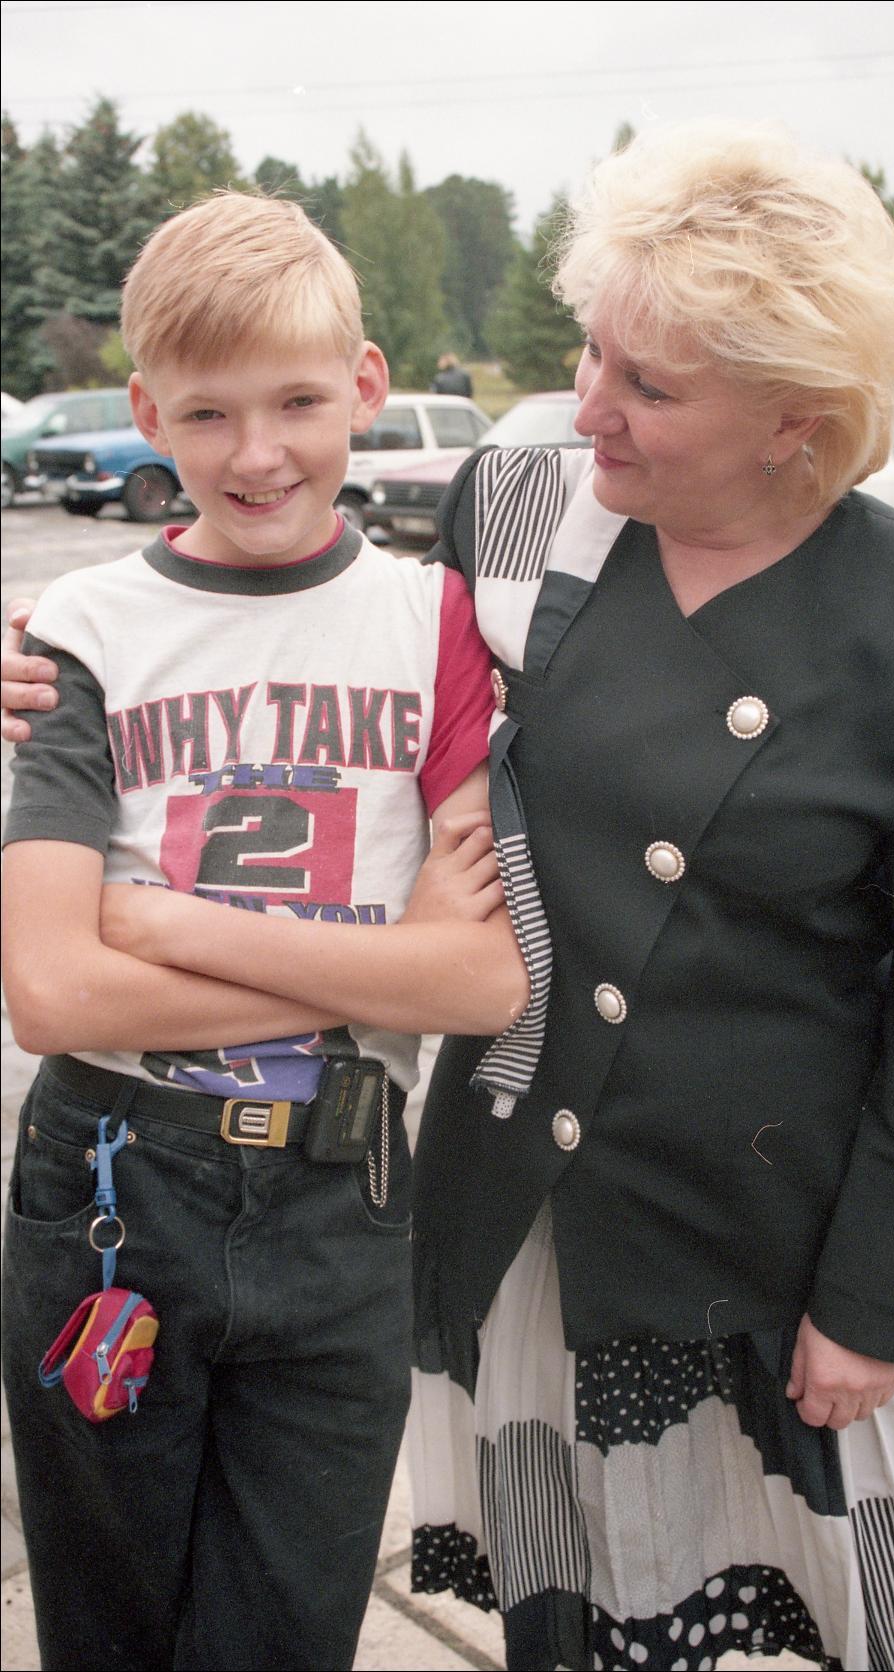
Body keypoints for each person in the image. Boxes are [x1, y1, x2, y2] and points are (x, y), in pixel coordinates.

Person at [5, 122, 894, 1672]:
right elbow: (292, 619)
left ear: (795, 416)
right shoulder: (523, 510)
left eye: (648, 384)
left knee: (857, 1611)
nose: (586, 406)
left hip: (771, 1224)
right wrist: (58, 659)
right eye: (592, 351)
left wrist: (880, 1292)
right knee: (566, 1606)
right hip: (530, 1202)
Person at [0, 190, 527, 1672]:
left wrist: (159, 925)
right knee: (109, 1628)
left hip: (343, 1197)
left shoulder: (435, 621)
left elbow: (484, 977)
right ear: (146, 411)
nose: (257, 455)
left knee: (286, 1629)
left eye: (298, 401)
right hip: (114, 1182)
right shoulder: (86, 631)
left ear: (364, 384)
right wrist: (377, 973)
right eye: (208, 414)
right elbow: (51, 995)